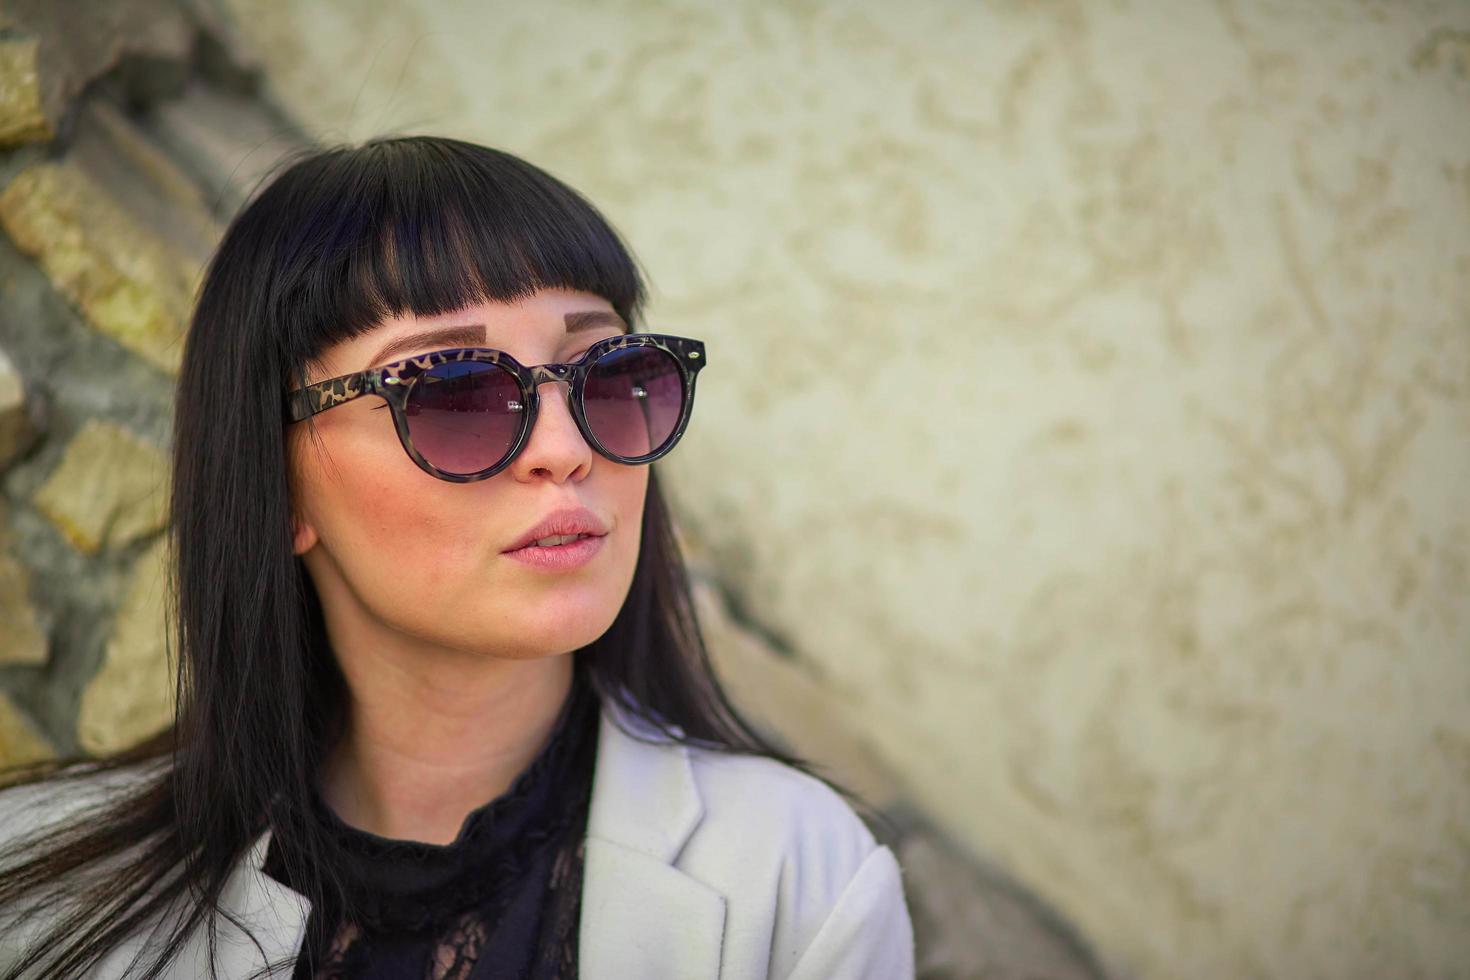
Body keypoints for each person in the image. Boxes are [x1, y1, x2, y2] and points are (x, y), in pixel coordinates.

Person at [0, 136, 915, 979]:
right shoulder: (32, 891)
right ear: (276, 486)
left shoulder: (801, 882)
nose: (563, 447)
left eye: (606, 374)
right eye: (456, 394)